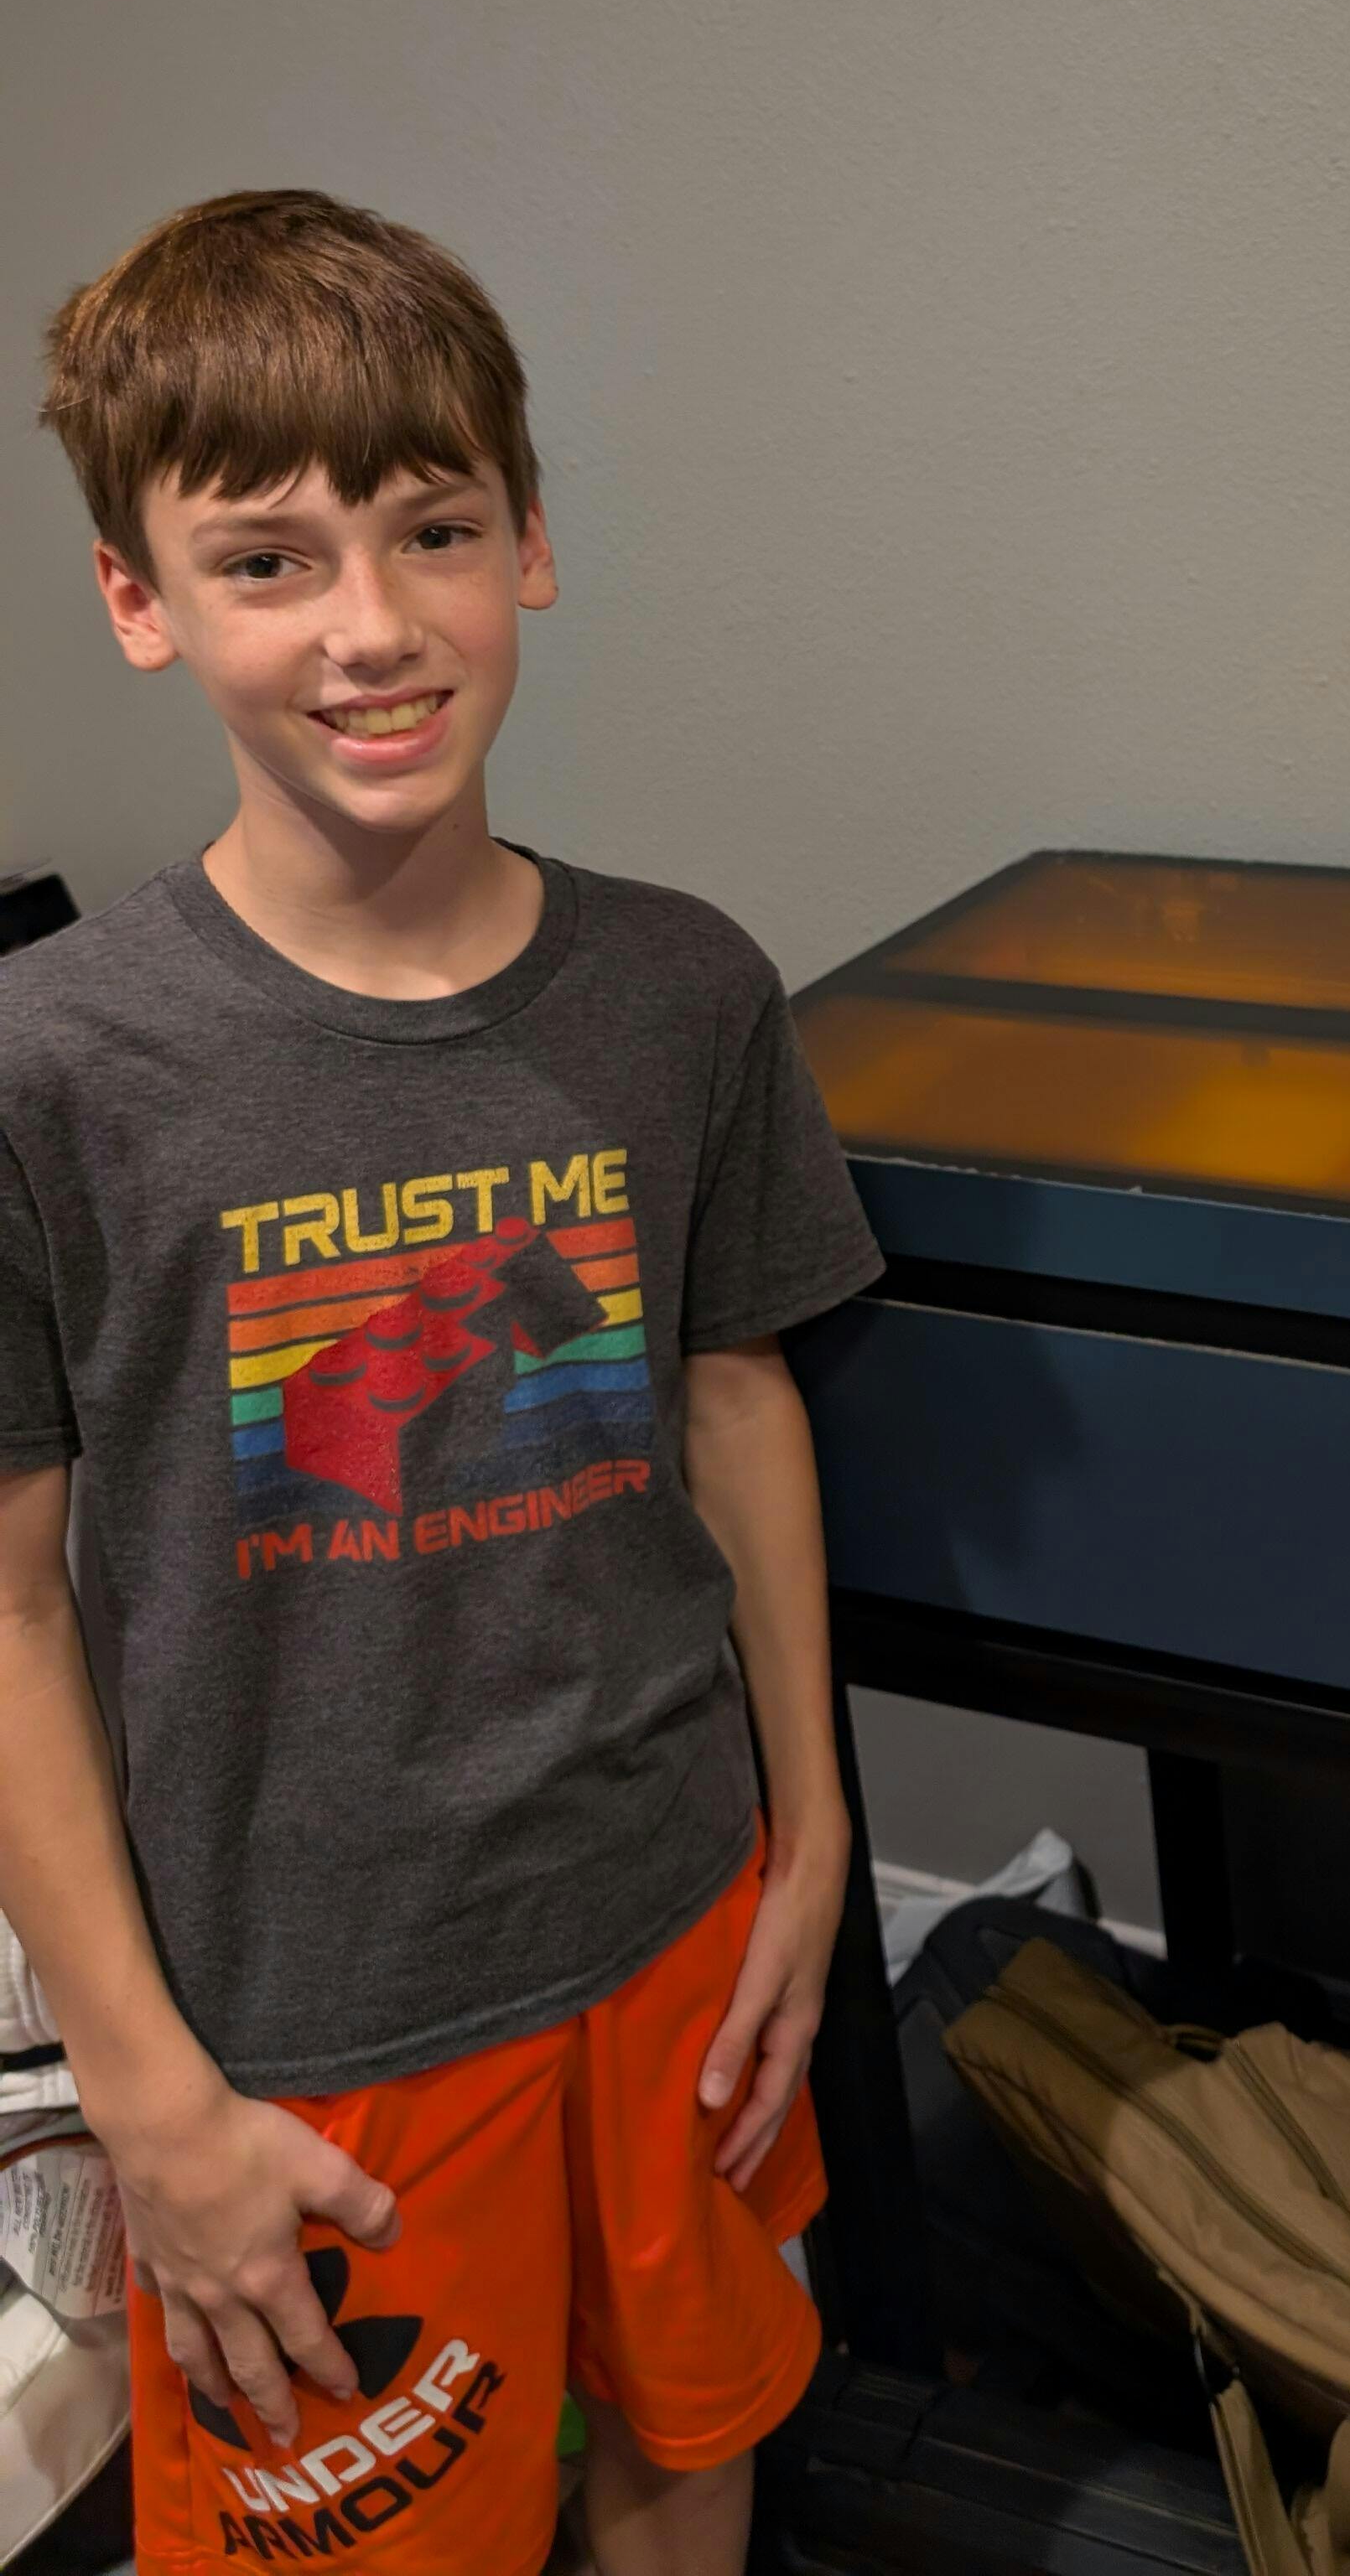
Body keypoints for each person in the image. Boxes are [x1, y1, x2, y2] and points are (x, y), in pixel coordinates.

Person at [0, 191, 885, 2576]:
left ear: (531, 547)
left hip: (678, 1930)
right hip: (312, 2023)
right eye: (267, 561)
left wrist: (814, 1845)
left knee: (689, 2449)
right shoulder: (50, 1070)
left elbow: (737, 1407)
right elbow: (9, 1610)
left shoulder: (685, 992)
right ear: (140, 600)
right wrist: (148, 2102)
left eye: (433, 531)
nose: (374, 626)